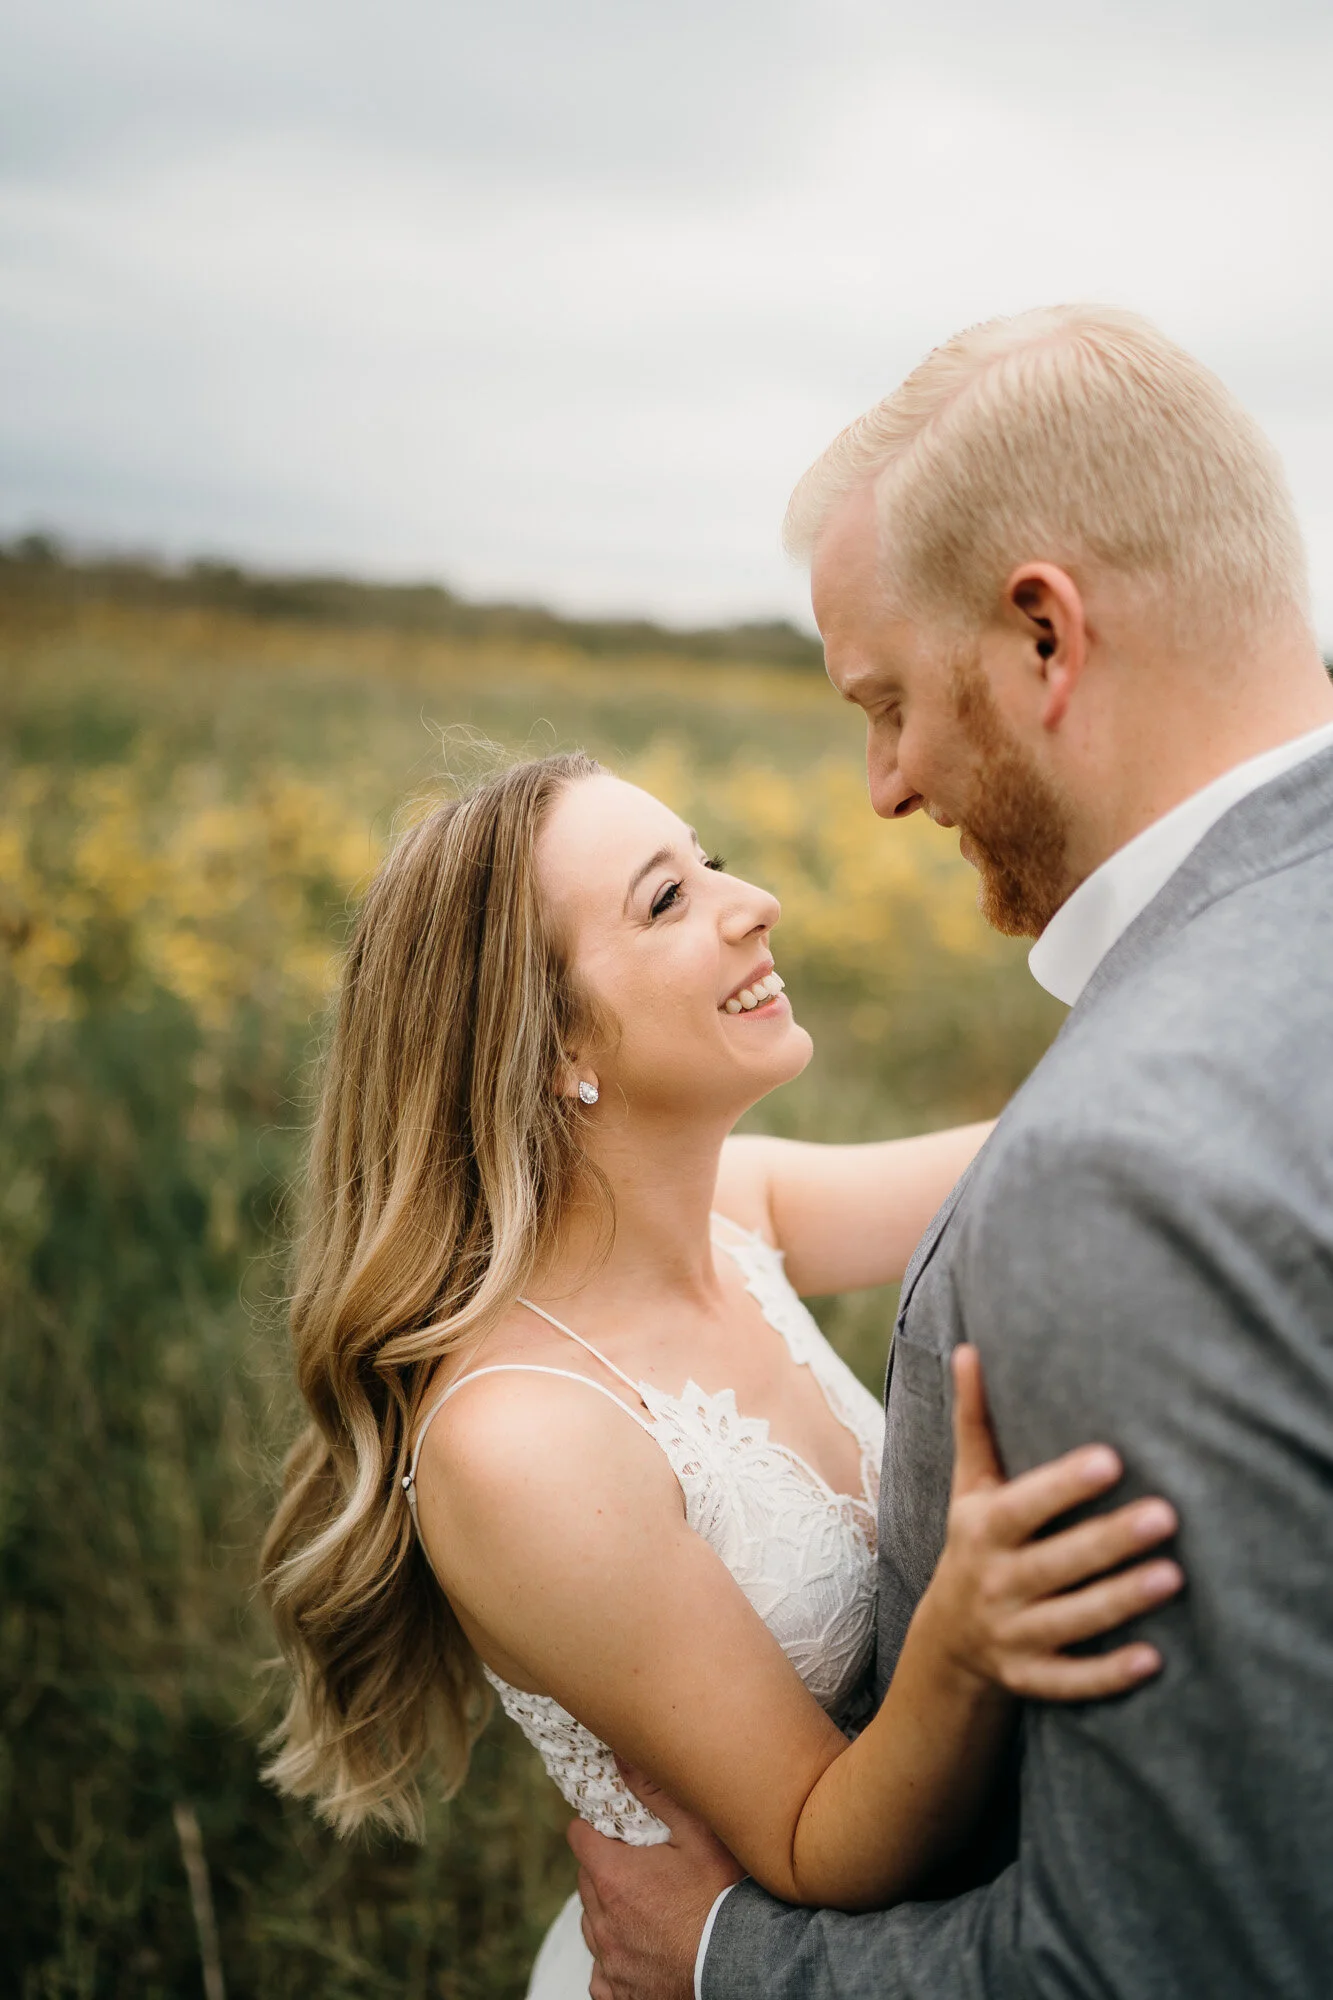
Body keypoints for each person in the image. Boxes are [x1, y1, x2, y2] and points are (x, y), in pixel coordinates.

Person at [573, 305, 1333, 1999]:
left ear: (1042, 637)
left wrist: (720, 1959)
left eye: (889, 701)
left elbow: (1178, 1959)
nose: (883, 786)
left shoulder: (1126, 1167)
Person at [258, 748, 1182, 1999]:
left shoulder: (738, 1208)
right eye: (664, 899)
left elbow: (1054, 1144)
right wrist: (961, 1636)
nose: (753, 902)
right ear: (551, 1045)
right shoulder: (525, 1440)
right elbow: (812, 1843)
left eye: (712, 862)